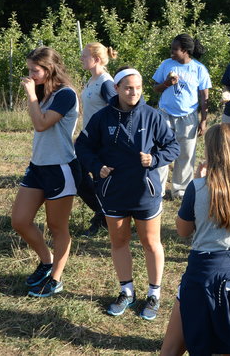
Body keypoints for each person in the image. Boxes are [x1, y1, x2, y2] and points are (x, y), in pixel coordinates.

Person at [75, 67, 179, 320]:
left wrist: (154, 159)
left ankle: (154, 294)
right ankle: (127, 291)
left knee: (150, 243)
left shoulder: (153, 116)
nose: (134, 92)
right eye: (128, 88)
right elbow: (83, 146)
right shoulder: (102, 117)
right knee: (119, 242)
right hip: (114, 191)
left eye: (138, 88)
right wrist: (97, 166)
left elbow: (172, 146)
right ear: (117, 88)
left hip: (145, 192)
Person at [160, 123, 230, 356]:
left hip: (205, 274)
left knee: (172, 348)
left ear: (211, 152)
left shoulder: (198, 187)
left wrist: (198, 180)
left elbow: (183, 230)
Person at [12, 46, 80, 298]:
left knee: (57, 226)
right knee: (20, 220)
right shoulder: (45, 92)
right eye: (29, 70)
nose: (30, 75)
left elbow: (41, 124)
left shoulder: (66, 94)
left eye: (35, 70)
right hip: (38, 166)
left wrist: (31, 95)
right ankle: (46, 260)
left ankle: (56, 278)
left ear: (49, 68)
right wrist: (36, 94)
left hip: (60, 168)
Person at [153, 34, 211, 198]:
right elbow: (155, 88)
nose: (171, 52)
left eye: (175, 50)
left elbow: (204, 97)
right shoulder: (166, 64)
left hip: (188, 117)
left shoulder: (199, 69)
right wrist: (167, 83)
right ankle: (158, 189)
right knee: (160, 151)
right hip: (165, 115)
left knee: (186, 154)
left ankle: (180, 190)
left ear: (185, 51)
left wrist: (203, 120)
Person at [78, 42, 117, 237]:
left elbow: (116, 110)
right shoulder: (91, 79)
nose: (81, 59)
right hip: (88, 138)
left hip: (100, 141)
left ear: (96, 59)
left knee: (99, 180)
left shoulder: (106, 82)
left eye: (84, 56)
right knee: (77, 175)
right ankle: (102, 212)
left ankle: (104, 217)